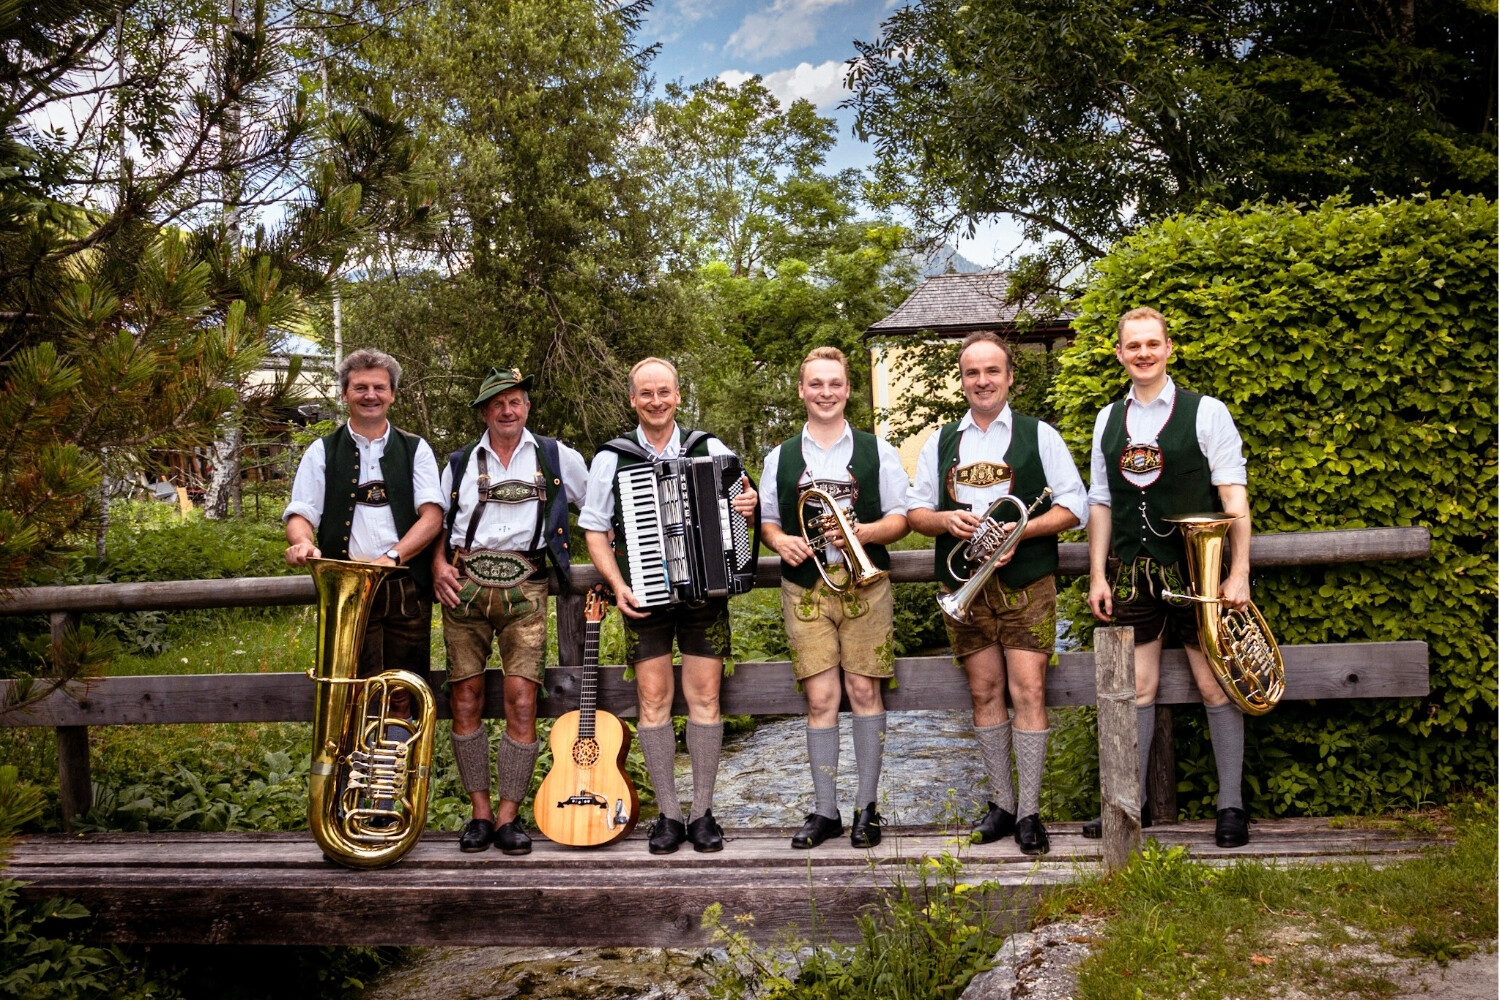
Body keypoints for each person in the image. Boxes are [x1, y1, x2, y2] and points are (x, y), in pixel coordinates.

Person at [908, 332, 1087, 856]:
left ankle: (1030, 811)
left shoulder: (1040, 435)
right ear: (962, 381)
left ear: (1009, 378)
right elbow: (915, 513)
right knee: (984, 695)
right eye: (972, 373)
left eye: (992, 371)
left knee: (1029, 693)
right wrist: (944, 519)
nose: (982, 381)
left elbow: (1073, 506)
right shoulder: (941, 440)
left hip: (1025, 584)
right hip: (963, 586)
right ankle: (1001, 804)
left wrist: (1018, 532)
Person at [1082, 307, 1252, 849]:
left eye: (1152, 344)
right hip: (1132, 574)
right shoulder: (1108, 420)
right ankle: (1131, 806)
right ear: (1119, 353)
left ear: (1169, 348)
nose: (1143, 354)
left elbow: (1234, 499)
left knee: (1214, 683)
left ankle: (1231, 807)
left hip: (1197, 571)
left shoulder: (1207, 413)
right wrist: (1097, 576)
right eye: (1133, 346)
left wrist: (1239, 571)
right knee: (1138, 689)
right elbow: (1101, 503)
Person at [579, 357, 758, 855]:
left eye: (665, 392)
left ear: (678, 395)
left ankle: (703, 813)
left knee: (705, 700)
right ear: (633, 400)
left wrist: (748, 505)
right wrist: (617, 584)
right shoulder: (611, 458)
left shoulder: (711, 448)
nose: (656, 401)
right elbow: (594, 529)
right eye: (646, 394)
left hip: (704, 594)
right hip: (644, 595)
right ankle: (668, 815)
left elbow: (742, 507)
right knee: (653, 702)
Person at [432, 368, 589, 856]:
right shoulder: (459, 463)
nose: (507, 410)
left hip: (528, 588)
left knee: (522, 699)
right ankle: (478, 813)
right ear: (484, 411)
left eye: (516, 401)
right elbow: (436, 519)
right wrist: (437, 562)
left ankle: (508, 816)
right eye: (497, 403)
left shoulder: (558, 456)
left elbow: (598, 509)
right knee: (465, 699)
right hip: (466, 589)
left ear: (526, 407)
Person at [758, 347, 910, 850]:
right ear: (801, 390)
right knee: (821, 699)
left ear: (848, 390)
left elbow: (900, 519)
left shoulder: (876, 449)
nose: (826, 392)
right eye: (816, 384)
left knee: (866, 694)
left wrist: (862, 533)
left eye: (835, 384)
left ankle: (868, 808)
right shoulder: (779, 455)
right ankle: (825, 811)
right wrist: (779, 541)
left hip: (866, 584)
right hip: (805, 588)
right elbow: (768, 522)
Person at [283, 347, 445, 703]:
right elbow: (300, 514)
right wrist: (302, 543)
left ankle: (400, 759)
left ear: (392, 394)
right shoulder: (321, 450)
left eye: (378, 387)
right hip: (348, 589)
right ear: (345, 394)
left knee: (405, 692)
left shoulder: (416, 448)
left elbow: (432, 517)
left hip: (405, 588)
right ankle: (354, 760)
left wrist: (393, 556)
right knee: (353, 691)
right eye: (360, 388)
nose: (370, 395)